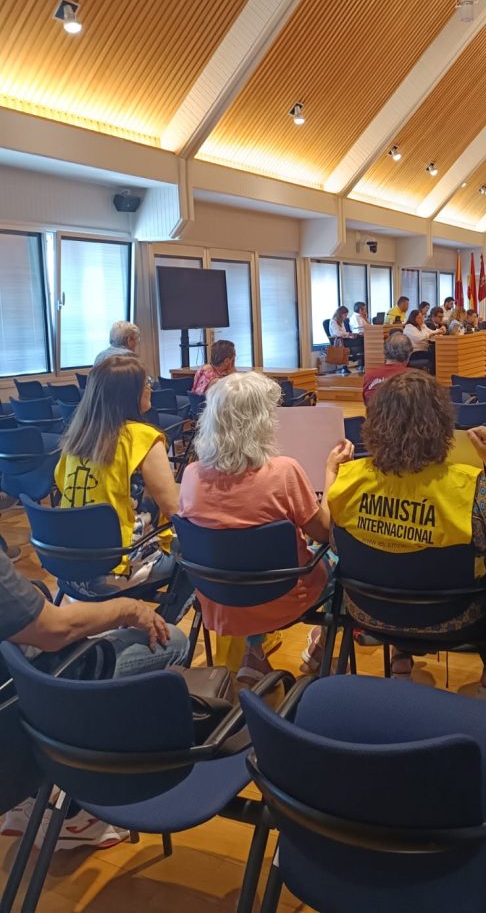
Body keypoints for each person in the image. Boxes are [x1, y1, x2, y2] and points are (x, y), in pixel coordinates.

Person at [327, 370, 486, 688]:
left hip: (370, 612)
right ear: (441, 425)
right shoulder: (468, 487)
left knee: (392, 557)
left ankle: (400, 658)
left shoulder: (347, 480)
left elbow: (334, 542)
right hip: (455, 617)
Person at [0, 545, 189, 849]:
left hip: (15, 699)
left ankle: (32, 800)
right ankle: (76, 811)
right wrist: (126, 609)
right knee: (175, 641)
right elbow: (53, 630)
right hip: (39, 696)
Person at [179, 372, 352, 685]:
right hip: (282, 598)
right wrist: (330, 471)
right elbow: (325, 531)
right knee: (340, 559)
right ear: (260, 421)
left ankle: (254, 653)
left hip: (219, 599)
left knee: (244, 558)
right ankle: (321, 646)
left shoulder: (191, 475)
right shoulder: (283, 471)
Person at [55, 356, 192, 618]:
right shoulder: (142, 438)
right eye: (145, 382)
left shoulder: (75, 440)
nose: (150, 387)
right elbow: (174, 509)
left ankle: (129, 624)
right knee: (201, 554)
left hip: (69, 568)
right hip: (114, 570)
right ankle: (158, 629)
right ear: (129, 393)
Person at [362, 332, 413, 405]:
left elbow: (367, 404)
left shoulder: (369, 376)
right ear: (409, 353)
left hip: (375, 412)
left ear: (384, 352)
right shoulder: (415, 377)